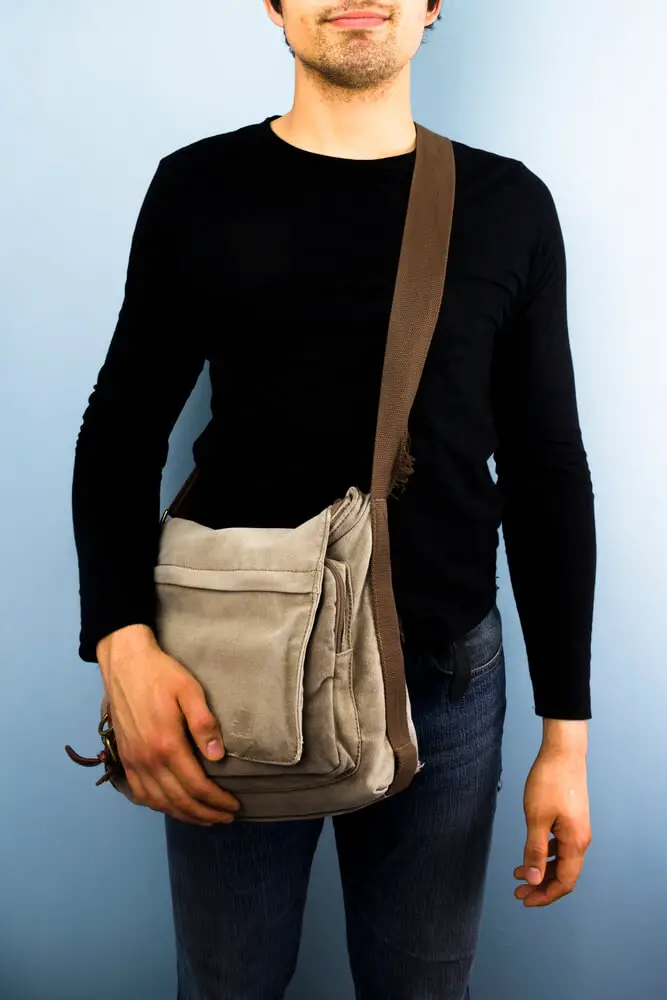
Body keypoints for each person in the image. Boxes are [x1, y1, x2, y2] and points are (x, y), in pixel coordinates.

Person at [71, 1, 596, 997]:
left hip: (442, 681)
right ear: (272, 3)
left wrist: (562, 740)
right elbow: (120, 431)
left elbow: (546, 470)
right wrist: (122, 645)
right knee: (225, 984)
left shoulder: (506, 204)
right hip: (229, 675)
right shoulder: (198, 187)